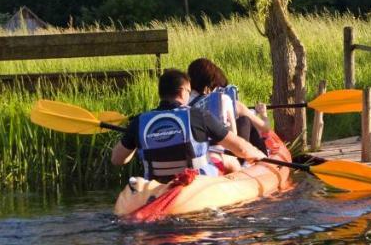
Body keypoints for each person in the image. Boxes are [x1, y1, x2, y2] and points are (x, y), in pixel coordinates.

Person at [111, 68, 266, 180]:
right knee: (230, 161)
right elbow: (239, 148)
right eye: (189, 91)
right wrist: (259, 155)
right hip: (195, 183)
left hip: (156, 186)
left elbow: (117, 160)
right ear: (182, 91)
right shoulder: (198, 116)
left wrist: (134, 139)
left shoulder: (139, 121)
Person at [186, 57, 270, 152]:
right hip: (226, 155)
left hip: (196, 154)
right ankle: (262, 158)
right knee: (244, 120)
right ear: (208, 88)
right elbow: (265, 128)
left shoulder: (183, 101)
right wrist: (263, 113)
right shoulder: (226, 100)